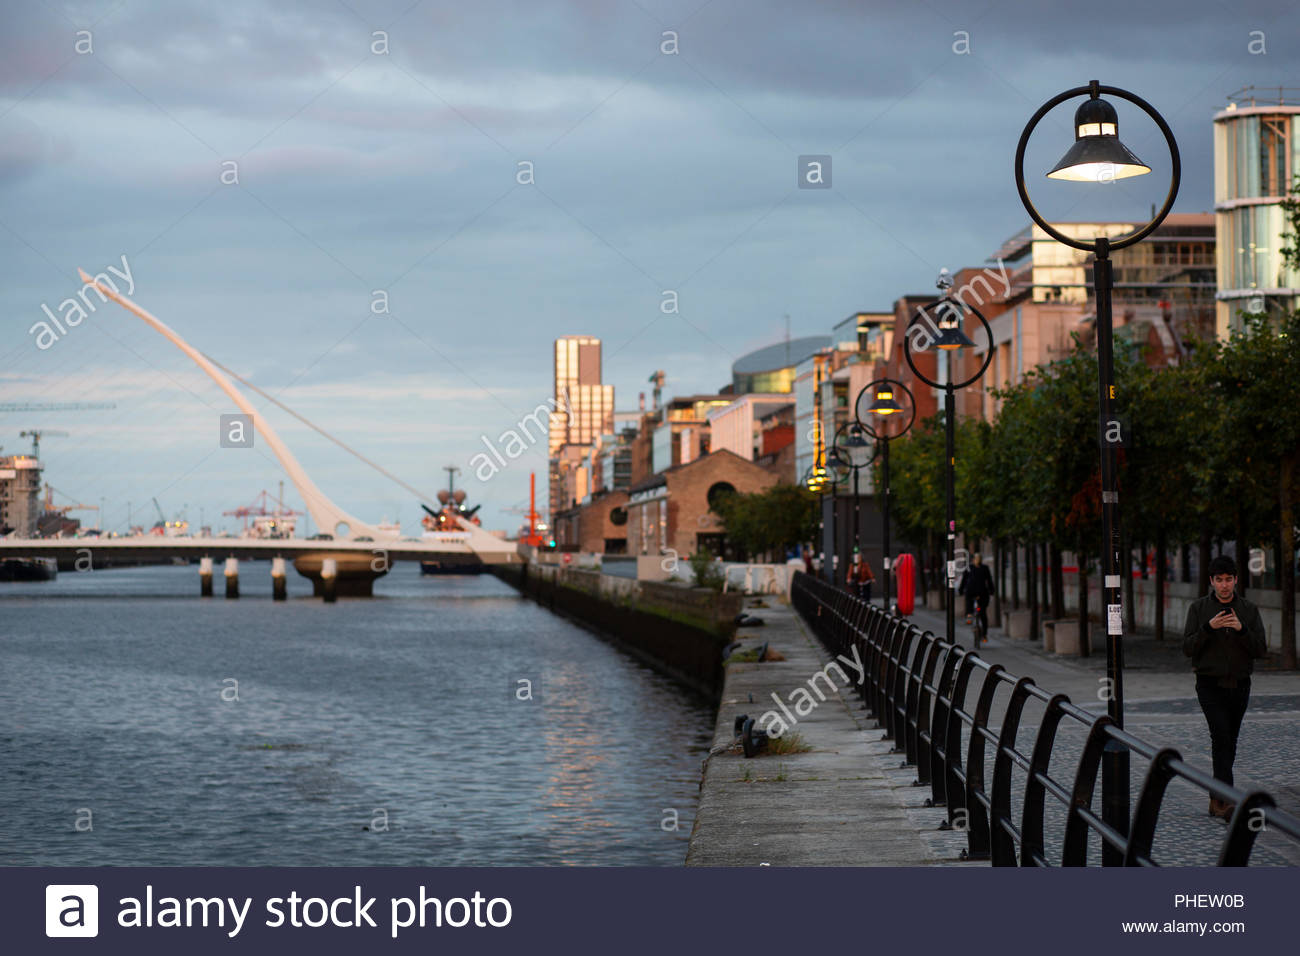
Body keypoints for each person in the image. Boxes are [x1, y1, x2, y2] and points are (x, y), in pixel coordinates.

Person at [1182, 554, 1268, 821]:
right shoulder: (1199, 609)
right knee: (1220, 737)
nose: (1224, 585)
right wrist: (1209, 628)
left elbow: (1261, 649)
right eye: (1219, 580)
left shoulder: (1249, 610)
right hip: (1209, 685)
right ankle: (1224, 800)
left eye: (1228, 579)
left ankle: (1216, 797)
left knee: (1230, 741)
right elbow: (1187, 648)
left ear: (1236, 580)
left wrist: (1241, 629)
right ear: (1211, 581)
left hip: (1240, 685)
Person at [960, 553, 994, 641]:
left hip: (974, 592)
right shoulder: (983, 568)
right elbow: (989, 580)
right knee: (982, 613)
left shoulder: (970, 568)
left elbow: (964, 580)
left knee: (971, 604)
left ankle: (969, 615)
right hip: (981, 593)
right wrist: (991, 591)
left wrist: (961, 590)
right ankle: (984, 635)